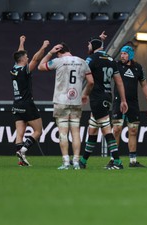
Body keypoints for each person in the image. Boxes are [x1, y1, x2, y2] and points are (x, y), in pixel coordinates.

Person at [38, 43, 94, 170]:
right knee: (75, 132)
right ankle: (76, 162)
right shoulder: (82, 61)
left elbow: (40, 67)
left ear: (59, 52)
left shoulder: (58, 61)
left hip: (61, 101)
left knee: (63, 133)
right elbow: (91, 82)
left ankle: (66, 162)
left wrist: (50, 52)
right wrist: (85, 94)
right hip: (76, 101)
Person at [78, 33, 128, 170]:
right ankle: (83, 161)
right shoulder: (111, 59)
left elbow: (84, 75)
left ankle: (117, 162)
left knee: (106, 130)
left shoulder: (91, 59)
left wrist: (85, 93)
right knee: (92, 130)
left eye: (89, 45)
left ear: (93, 46)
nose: (88, 47)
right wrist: (123, 100)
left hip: (97, 97)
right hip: (107, 96)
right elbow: (119, 82)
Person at [109, 43, 147, 168]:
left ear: (131, 55)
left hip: (133, 103)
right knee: (116, 130)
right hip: (118, 101)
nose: (122, 56)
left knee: (133, 131)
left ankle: (133, 161)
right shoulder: (116, 65)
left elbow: (144, 85)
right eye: (121, 53)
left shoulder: (138, 68)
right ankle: (114, 159)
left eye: (125, 53)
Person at [11, 35, 49, 166]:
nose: (27, 58)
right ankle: (23, 150)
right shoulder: (23, 70)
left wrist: (21, 42)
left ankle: (21, 161)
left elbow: (20, 54)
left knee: (19, 134)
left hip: (16, 105)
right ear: (22, 60)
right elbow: (36, 59)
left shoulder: (14, 69)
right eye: (25, 57)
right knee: (38, 131)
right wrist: (43, 47)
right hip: (27, 104)